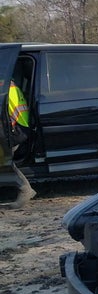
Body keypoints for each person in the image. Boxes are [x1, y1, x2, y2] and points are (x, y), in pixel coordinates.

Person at [6, 78, 35, 209]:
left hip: (15, 131)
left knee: (4, 163)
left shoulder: (5, 88)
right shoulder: (9, 85)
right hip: (18, 129)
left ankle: (25, 189)